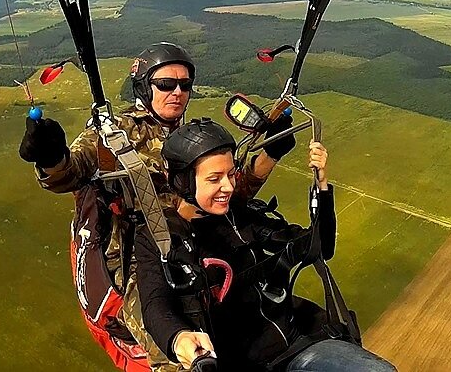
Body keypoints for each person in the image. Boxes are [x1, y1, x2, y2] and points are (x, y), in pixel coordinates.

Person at [19, 43, 297, 371]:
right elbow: (70, 174)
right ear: (143, 87)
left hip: (186, 241)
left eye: (185, 85)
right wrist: (51, 156)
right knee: (174, 349)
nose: (177, 92)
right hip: (135, 253)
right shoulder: (113, 133)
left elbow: (226, 195)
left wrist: (270, 154)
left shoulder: (188, 137)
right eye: (165, 84)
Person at [135, 118, 396, 372]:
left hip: (295, 345)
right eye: (214, 179)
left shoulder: (239, 216)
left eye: (230, 174)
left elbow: (320, 247)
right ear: (182, 182)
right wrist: (177, 337)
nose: (228, 186)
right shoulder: (162, 238)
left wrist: (322, 185)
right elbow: (155, 303)